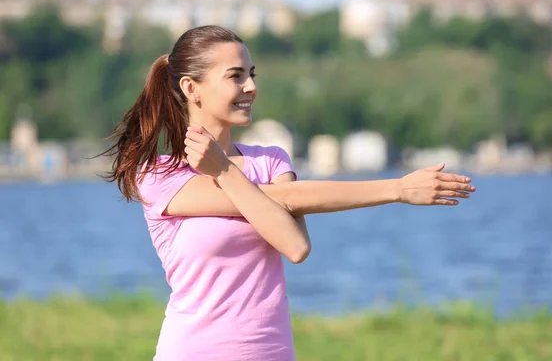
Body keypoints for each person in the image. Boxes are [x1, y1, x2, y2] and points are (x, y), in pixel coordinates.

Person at [102, 25, 476, 361]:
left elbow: (295, 246)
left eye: (251, 75)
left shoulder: (271, 160)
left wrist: (226, 170)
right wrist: (397, 188)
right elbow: (288, 199)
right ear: (191, 88)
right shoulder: (160, 175)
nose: (251, 87)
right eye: (235, 76)